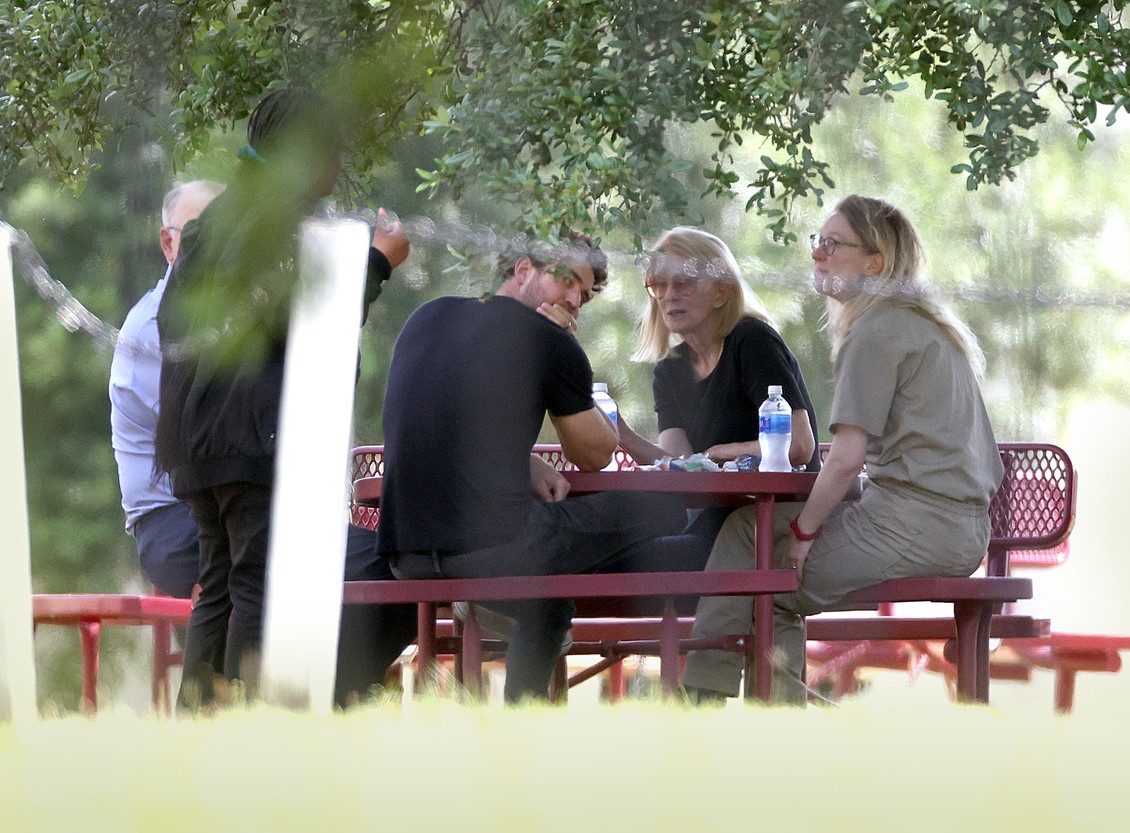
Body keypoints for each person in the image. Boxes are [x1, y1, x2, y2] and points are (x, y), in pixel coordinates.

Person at [681, 194, 1005, 705]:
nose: (817, 254)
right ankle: (750, 705)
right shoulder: (924, 324)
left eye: (833, 245)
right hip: (958, 529)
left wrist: (806, 532)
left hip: (914, 528)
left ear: (874, 263)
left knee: (766, 580)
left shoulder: (876, 332)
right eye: (818, 241)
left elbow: (847, 457)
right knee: (748, 532)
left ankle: (709, 704)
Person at [155, 87, 414, 708]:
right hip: (250, 433)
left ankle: (196, 722)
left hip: (198, 436)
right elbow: (309, 318)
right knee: (254, 583)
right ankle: (247, 719)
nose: (339, 163)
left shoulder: (217, 219)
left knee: (218, 584)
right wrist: (378, 263)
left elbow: (177, 322)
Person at [376, 232, 687, 703]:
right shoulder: (548, 340)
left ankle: (525, 725)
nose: (574, 300)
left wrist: (526, 461)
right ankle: (533, 705)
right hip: (494, 549)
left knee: (547, 596)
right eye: (567, 282)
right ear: (522, 270)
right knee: (666, 506)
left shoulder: (428, 316)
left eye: (583, 293)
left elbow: (446, 422)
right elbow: (594, 455)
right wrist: (563, 347)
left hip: (406, 552)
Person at [608, 226, 821, 572]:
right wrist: (622, 434)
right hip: (714, 519)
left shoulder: (752, 340)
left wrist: (721, 452)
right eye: (658, 284)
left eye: (684, 282)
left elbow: (798, 446)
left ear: (721, 293)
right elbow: (680, 465)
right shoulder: (669, 369)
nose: (668, 295)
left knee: (630, 563)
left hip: (772, 521)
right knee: (603, 554)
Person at [110, 179, 223, 600]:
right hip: (175, 525)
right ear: (167, 244)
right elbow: (205, 443)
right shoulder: (152, 328)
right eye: (196, 235)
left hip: (221, 514)